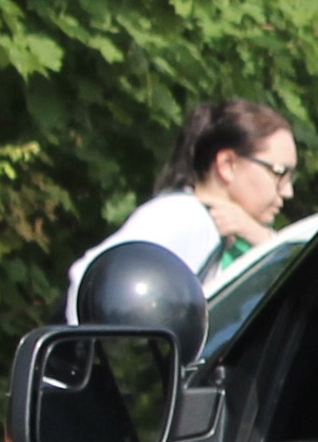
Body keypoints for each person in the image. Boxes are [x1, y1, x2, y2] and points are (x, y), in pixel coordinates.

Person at [65, 98, 298, 316]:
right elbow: (91, 279)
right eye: (279, 173)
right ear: (227, 164)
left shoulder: (237, 232)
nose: (288, 191)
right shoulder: (183, 216)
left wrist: (257, 236)